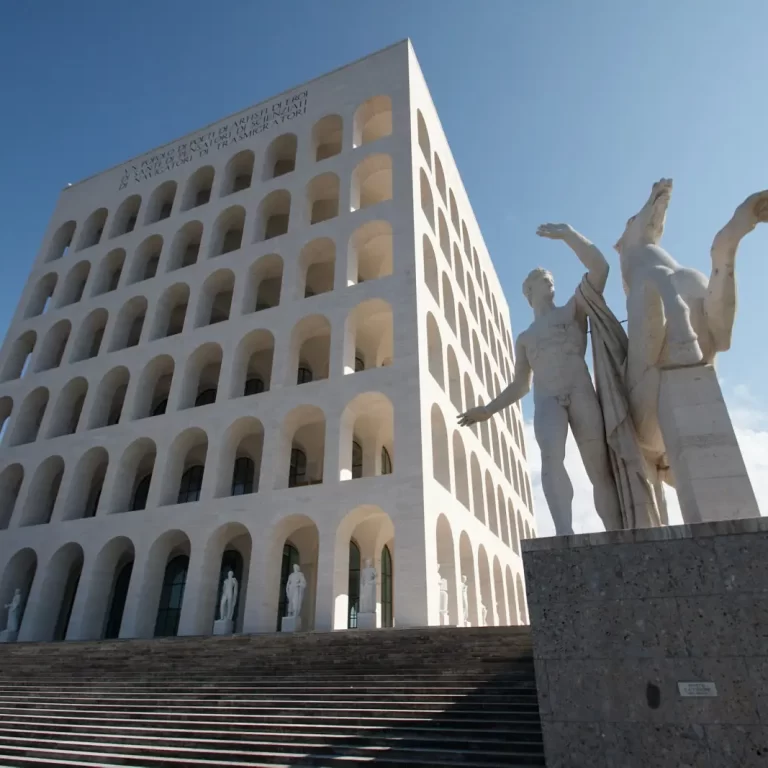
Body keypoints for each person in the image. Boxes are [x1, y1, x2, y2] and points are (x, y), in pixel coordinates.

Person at [458, 223, 622, 535]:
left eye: (550, 280)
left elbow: (601, 268)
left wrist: (570, 236)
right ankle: (564, 534)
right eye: (542, 282)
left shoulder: (573, 310)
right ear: (529, 293)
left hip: (580, 389)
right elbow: (521, 384)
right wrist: (489, 410)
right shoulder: (526, 338)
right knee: (550, 457)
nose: (549, 285)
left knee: (598, 467)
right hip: (547, 398)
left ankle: (617, 534)